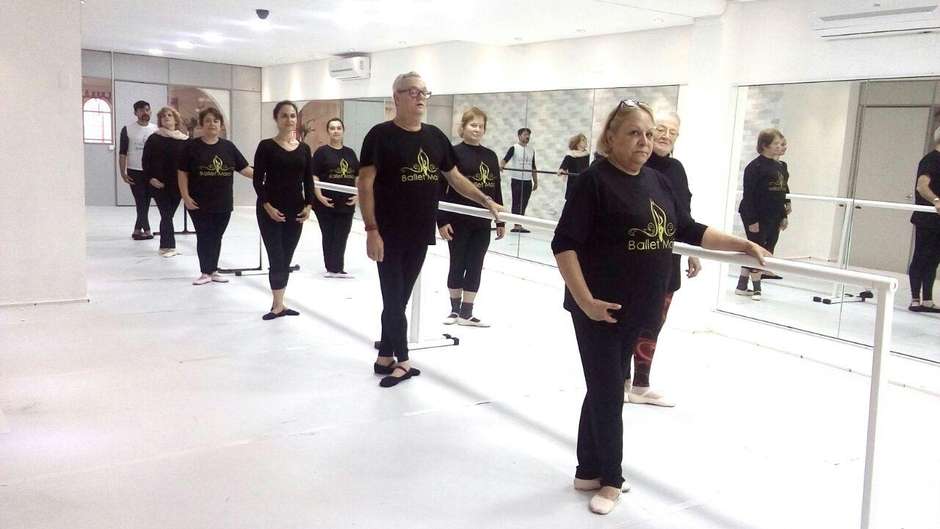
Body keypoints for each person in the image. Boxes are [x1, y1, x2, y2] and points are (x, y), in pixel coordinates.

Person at [552, 100, 769, 515]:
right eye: (634, 133)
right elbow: (564, 244)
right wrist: (586, 301)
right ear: (610, 137)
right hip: (599, 307)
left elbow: (687, 228)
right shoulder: (593, 181)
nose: (645, 141)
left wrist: (741, 244)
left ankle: (587, 470)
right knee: (608, 390)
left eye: (649, 134)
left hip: (638, 306)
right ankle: (611, 479)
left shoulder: (658, 181)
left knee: (604, 385)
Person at [357, 72, 501, 388]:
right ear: (396, 96)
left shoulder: (435, 137)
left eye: (424, 92)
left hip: (420, 232)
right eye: (412, 91)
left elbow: (455, 178)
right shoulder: (379, 136)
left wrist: (485, 199)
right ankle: (403, 361)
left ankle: (385, 357)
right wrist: (371, 229)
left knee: (398, 299)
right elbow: (364, 184)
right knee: (393, 298)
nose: (420, 97)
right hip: (388, 233)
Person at [625, 111, 701, 407]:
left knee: (654, 322)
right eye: (661, 129)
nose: (666, 135)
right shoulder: (634, 164)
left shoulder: (676, 169)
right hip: (635, 257)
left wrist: (692, 250)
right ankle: (621, 380)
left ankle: (640, 385)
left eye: (673, 132)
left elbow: (683, 216)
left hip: (667, 259)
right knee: (628, 320)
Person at [438, 107, 506, 328]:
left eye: (481, 126)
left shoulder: (491, 155)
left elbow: (496, 189)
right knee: (457, 263)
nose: (477, 129)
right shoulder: (453, 153)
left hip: (482, 221)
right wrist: (441, 220)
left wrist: (500, 219)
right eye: (473, 125)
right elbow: (440, 190)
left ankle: (467, 312)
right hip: (458, 220)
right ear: (463, 127)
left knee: (476, 264)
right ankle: (454, 309)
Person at [253, 101, 315, 320]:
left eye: (292, 115)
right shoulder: (266, 146)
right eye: (284, 116)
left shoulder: (304, 149)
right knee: (277, 257)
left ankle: (278, 302)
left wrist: (309, 206)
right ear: (276, 119)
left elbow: (308, 181)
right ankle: (278, 306)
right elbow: (258, 180)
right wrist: (267, 206)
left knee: (286, 258)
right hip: (270, 210)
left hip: (295, 211)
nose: (289, 120)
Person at [178, 107, 253, 286]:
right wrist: (185, 196)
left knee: (217, 236)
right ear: (201, 125)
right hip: (198, 202)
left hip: (223, 202)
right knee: (204, 235)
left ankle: (213, 270)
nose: (212, 124)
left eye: (216, 121)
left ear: (221, 125)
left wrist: (267, 176)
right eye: (208, 121)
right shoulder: (191, 147)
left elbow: (244, 169)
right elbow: (182, 173)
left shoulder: (228, 147)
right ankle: (205, 272)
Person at [735, 128, 789, 301]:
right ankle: (757, 288)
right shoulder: (754, 167)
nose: (780, 147)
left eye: (781, 144)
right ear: (765, 145)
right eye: (776, 144)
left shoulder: (781, 166)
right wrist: (752, 220)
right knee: (756, 248)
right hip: (756, 214)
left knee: (768, 247)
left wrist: (784, 214)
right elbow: (749, 195)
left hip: (774, 214)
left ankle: (742, 284)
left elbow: (782, 192)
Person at [312, 118, 359, 278]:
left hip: (346, 203)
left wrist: (357, 194)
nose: (336, 131)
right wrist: (319, 196)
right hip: (326, 202)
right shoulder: (321, 152)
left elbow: (358, 176)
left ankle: (337, 267)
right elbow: (314, 176)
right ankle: (332, 268)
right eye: (332, 128)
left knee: (342, 234)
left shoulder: (350, 153)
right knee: (329, 234)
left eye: (339, 128)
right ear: (328, 132)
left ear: (343, 131)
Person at [142, 106, 189, 257]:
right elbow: (145, 161)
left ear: (176, 119)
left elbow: (189, 163)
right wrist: (151, 178)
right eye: (163, 116)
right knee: (166, 214)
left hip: (177, 184)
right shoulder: (154, 138)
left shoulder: (185, 140)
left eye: (169, 115)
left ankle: (166, 246)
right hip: (159, 184)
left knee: (168, 215)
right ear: (160, 120)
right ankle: (167, 247)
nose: (166, 118)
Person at [908, 126, 940, 312]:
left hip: (938, 221)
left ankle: (927, 300)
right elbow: (922, 186)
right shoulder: (931, 160)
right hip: (926, 219)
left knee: (934, 259)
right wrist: (936, 200)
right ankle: (915, 299)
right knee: (921, 256)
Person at [119, 100, 158, 240]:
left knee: (146, 202)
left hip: (151, 172)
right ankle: (147, 229)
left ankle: (137, 230)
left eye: (147, 110)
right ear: (135, 113)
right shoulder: (127, 129)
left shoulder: (156, 129)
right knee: (140, 200)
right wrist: (122, 172)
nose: (144, 113)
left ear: (150, 111)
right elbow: (122, 153)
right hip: (134, 171)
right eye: (141, 110)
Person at [500, 127, 538, 232]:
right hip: (517, 180)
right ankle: (516, 225)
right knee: (516, 202)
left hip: (527, 181)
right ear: (519, 136)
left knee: (524, 203)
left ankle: (519, 224)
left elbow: (533, 166)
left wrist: (535, 181)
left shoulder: (531, 150)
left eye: (528, 135)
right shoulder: (514, 148)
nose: (527, 137)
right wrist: (501, 166)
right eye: (525, 134)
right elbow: (505, 159)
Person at [559, 133, 590, 200]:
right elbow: (564, 166)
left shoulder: (588, 155)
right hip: (573, 185)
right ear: (577, 143)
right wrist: (561, 170)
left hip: (584, 185)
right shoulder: (571, 155)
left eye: (585, 139)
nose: (585, 141)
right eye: (583, 140)